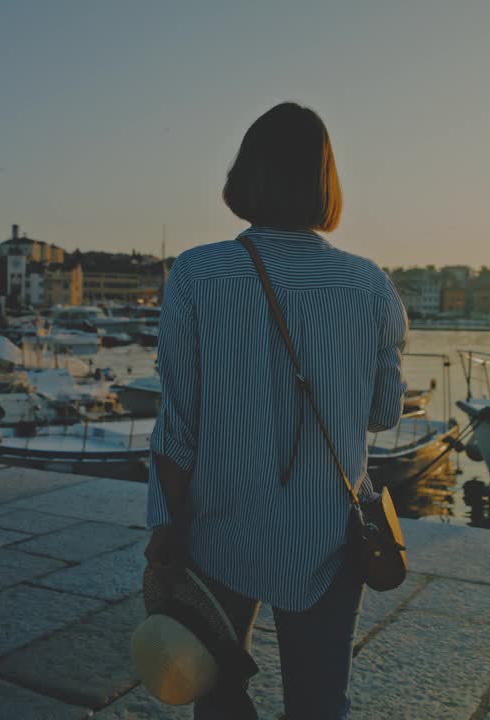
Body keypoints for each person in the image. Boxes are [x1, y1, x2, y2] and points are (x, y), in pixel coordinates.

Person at [144, 102, 408, 720]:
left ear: (246, 175)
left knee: (216, 693)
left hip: (218, 526)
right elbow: (384, 412)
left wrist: (163, 528)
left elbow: (176, 423)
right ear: (326, 184)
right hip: (327, 531)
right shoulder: (371, 286)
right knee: (319, 704)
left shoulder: (196, 273)